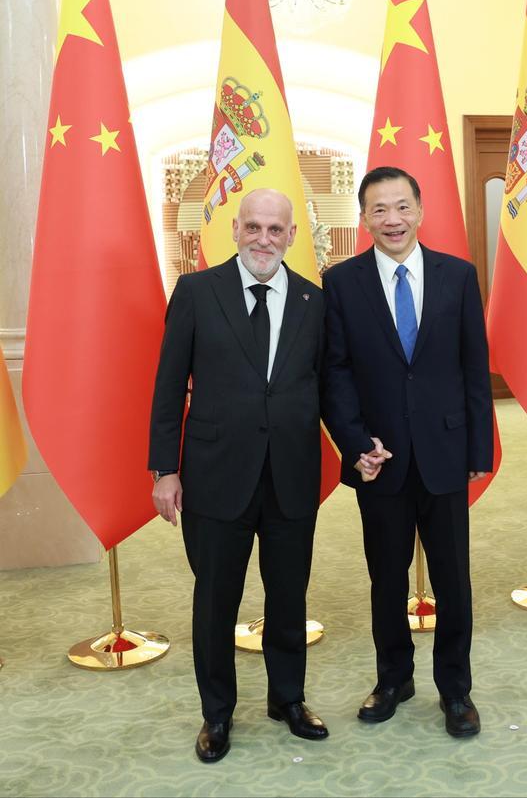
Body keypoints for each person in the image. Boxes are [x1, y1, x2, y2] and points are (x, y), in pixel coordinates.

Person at [149, 188, 328, 763]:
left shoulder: (313, 300)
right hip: (215, 476)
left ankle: (288, 699)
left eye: (275, 230)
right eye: (253, 227)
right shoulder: (196, 292)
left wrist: (359, 445)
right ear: (235, 229)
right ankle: (217, 713)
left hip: (291, 475)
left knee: (289, 596)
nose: (263, 239)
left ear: (292, 236)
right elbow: (168, 386)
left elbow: (329, 387)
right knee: (215, 601)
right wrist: (165, 469)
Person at [322, 166, 492, 738]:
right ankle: (394, 679)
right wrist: (355, 444)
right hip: (380, 459)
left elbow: (473, 367)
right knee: (387, 578)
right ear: (364, 218)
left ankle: (456, 690)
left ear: (420, 211)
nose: (392, 219)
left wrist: (478, 445)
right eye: (379, 209)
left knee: (453, 579)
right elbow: (336, 373)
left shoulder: (458, 276)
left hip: (446, 452)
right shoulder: (341, 283)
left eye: (401, 207)